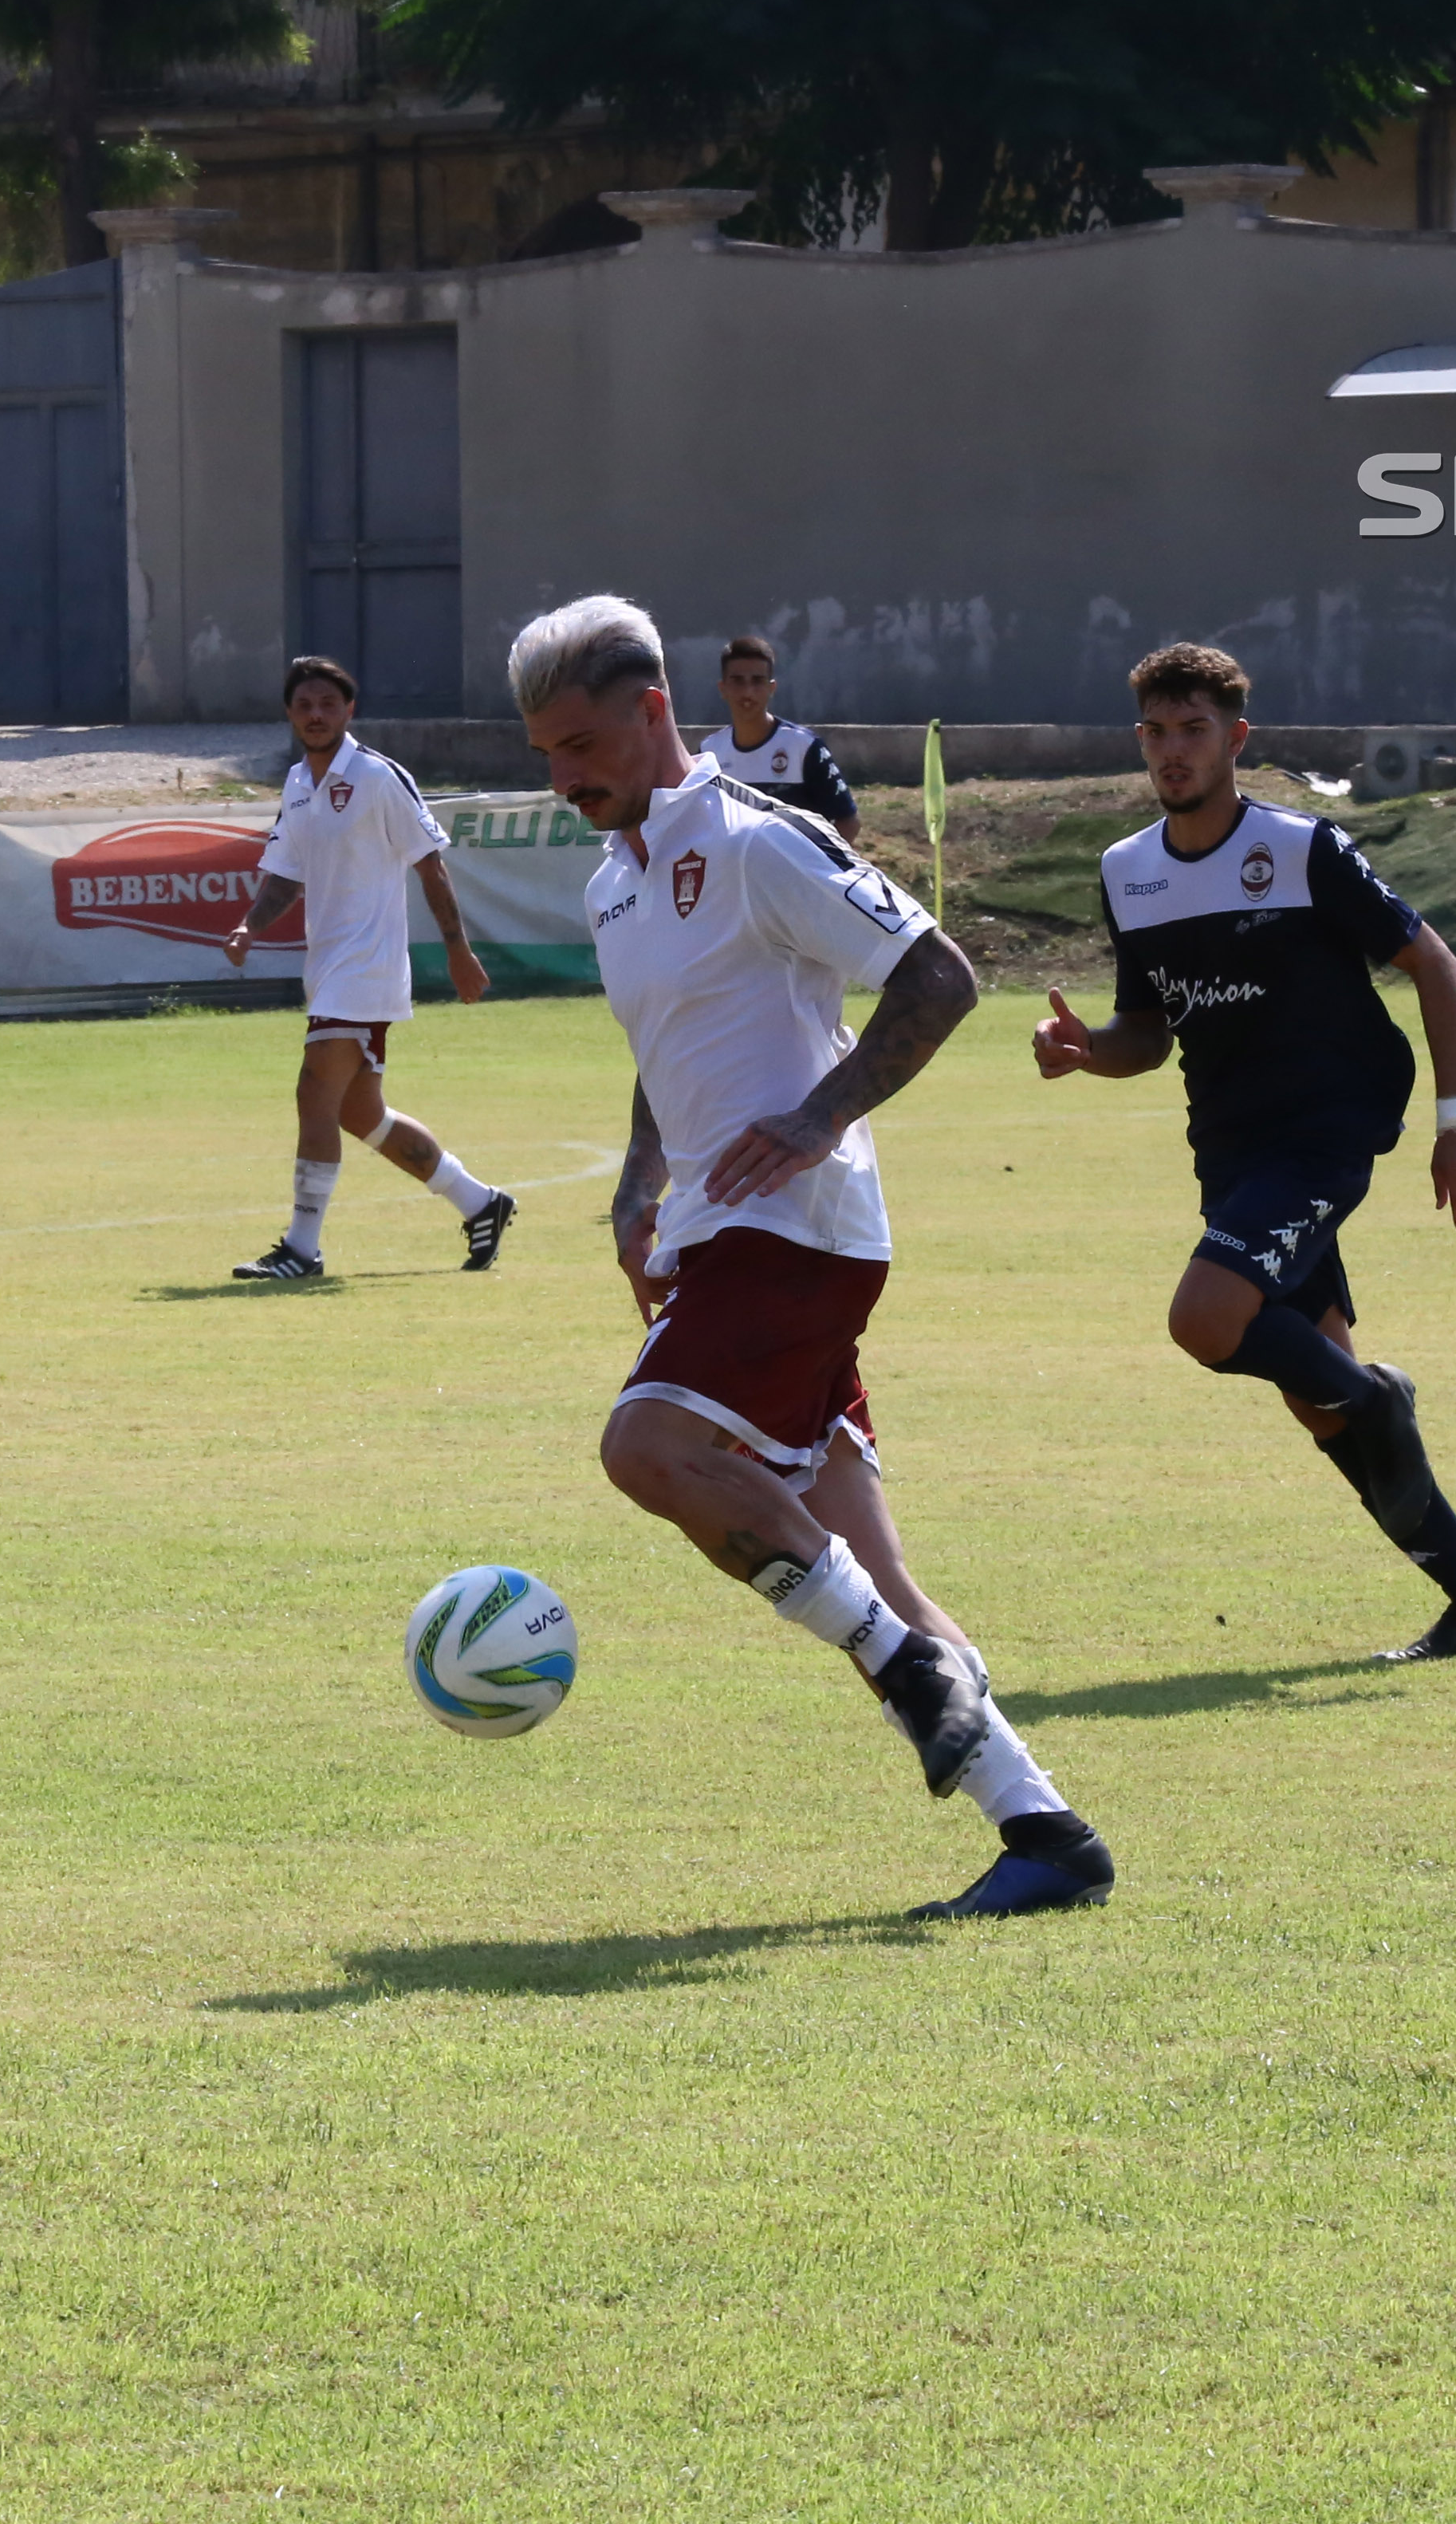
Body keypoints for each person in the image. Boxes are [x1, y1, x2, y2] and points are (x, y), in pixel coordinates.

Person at [515, 593, 1110, 1921]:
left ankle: (910, 1676)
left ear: (651, 709)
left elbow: (940, 975)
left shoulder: (753, 840)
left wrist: (818, 1112)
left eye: (577, 743)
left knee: (647, 1447)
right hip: (721, 1234)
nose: (562, 776)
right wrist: (635, 1185)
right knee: (867, 1564)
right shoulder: (616, 883)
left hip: (799, 1229)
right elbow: (670, 1047)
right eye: (543, 753)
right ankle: (1047, 1835)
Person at [1030, 642, 1456, 1663]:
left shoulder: (1302, 852)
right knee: (1320, 1398)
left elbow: (1431, 962)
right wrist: (1089, 1053)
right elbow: (1147, 1032)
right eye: (1157, 734)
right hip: (1235, 1152)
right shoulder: (1128, 874)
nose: (1174, 753)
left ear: (1236, 740)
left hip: (1328, 1131)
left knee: (1206, 1319)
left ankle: (1382, 1392)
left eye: (1194, 732)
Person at [219, 655, 517, 1279]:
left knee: (313, 1094)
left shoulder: (380, 777)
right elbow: (284, 878)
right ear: (290, 715)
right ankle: (479, 1201)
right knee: (359, 1114)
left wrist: (457, 948)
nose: (316, 715)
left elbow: (430, 864)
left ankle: (301, 1250)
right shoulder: (299, 782)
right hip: (330, 969)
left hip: (367, 967)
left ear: (349, 710)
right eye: (304, 706)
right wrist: (252, 922)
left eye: (328, 704)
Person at [701, 634, 858, 830]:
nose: (748, 692)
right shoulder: (709, 751)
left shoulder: (804, 746)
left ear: (772, 688)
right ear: (722, 689)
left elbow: (848, 822)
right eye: (738, 681)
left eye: (757, 681)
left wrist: (811, 861)